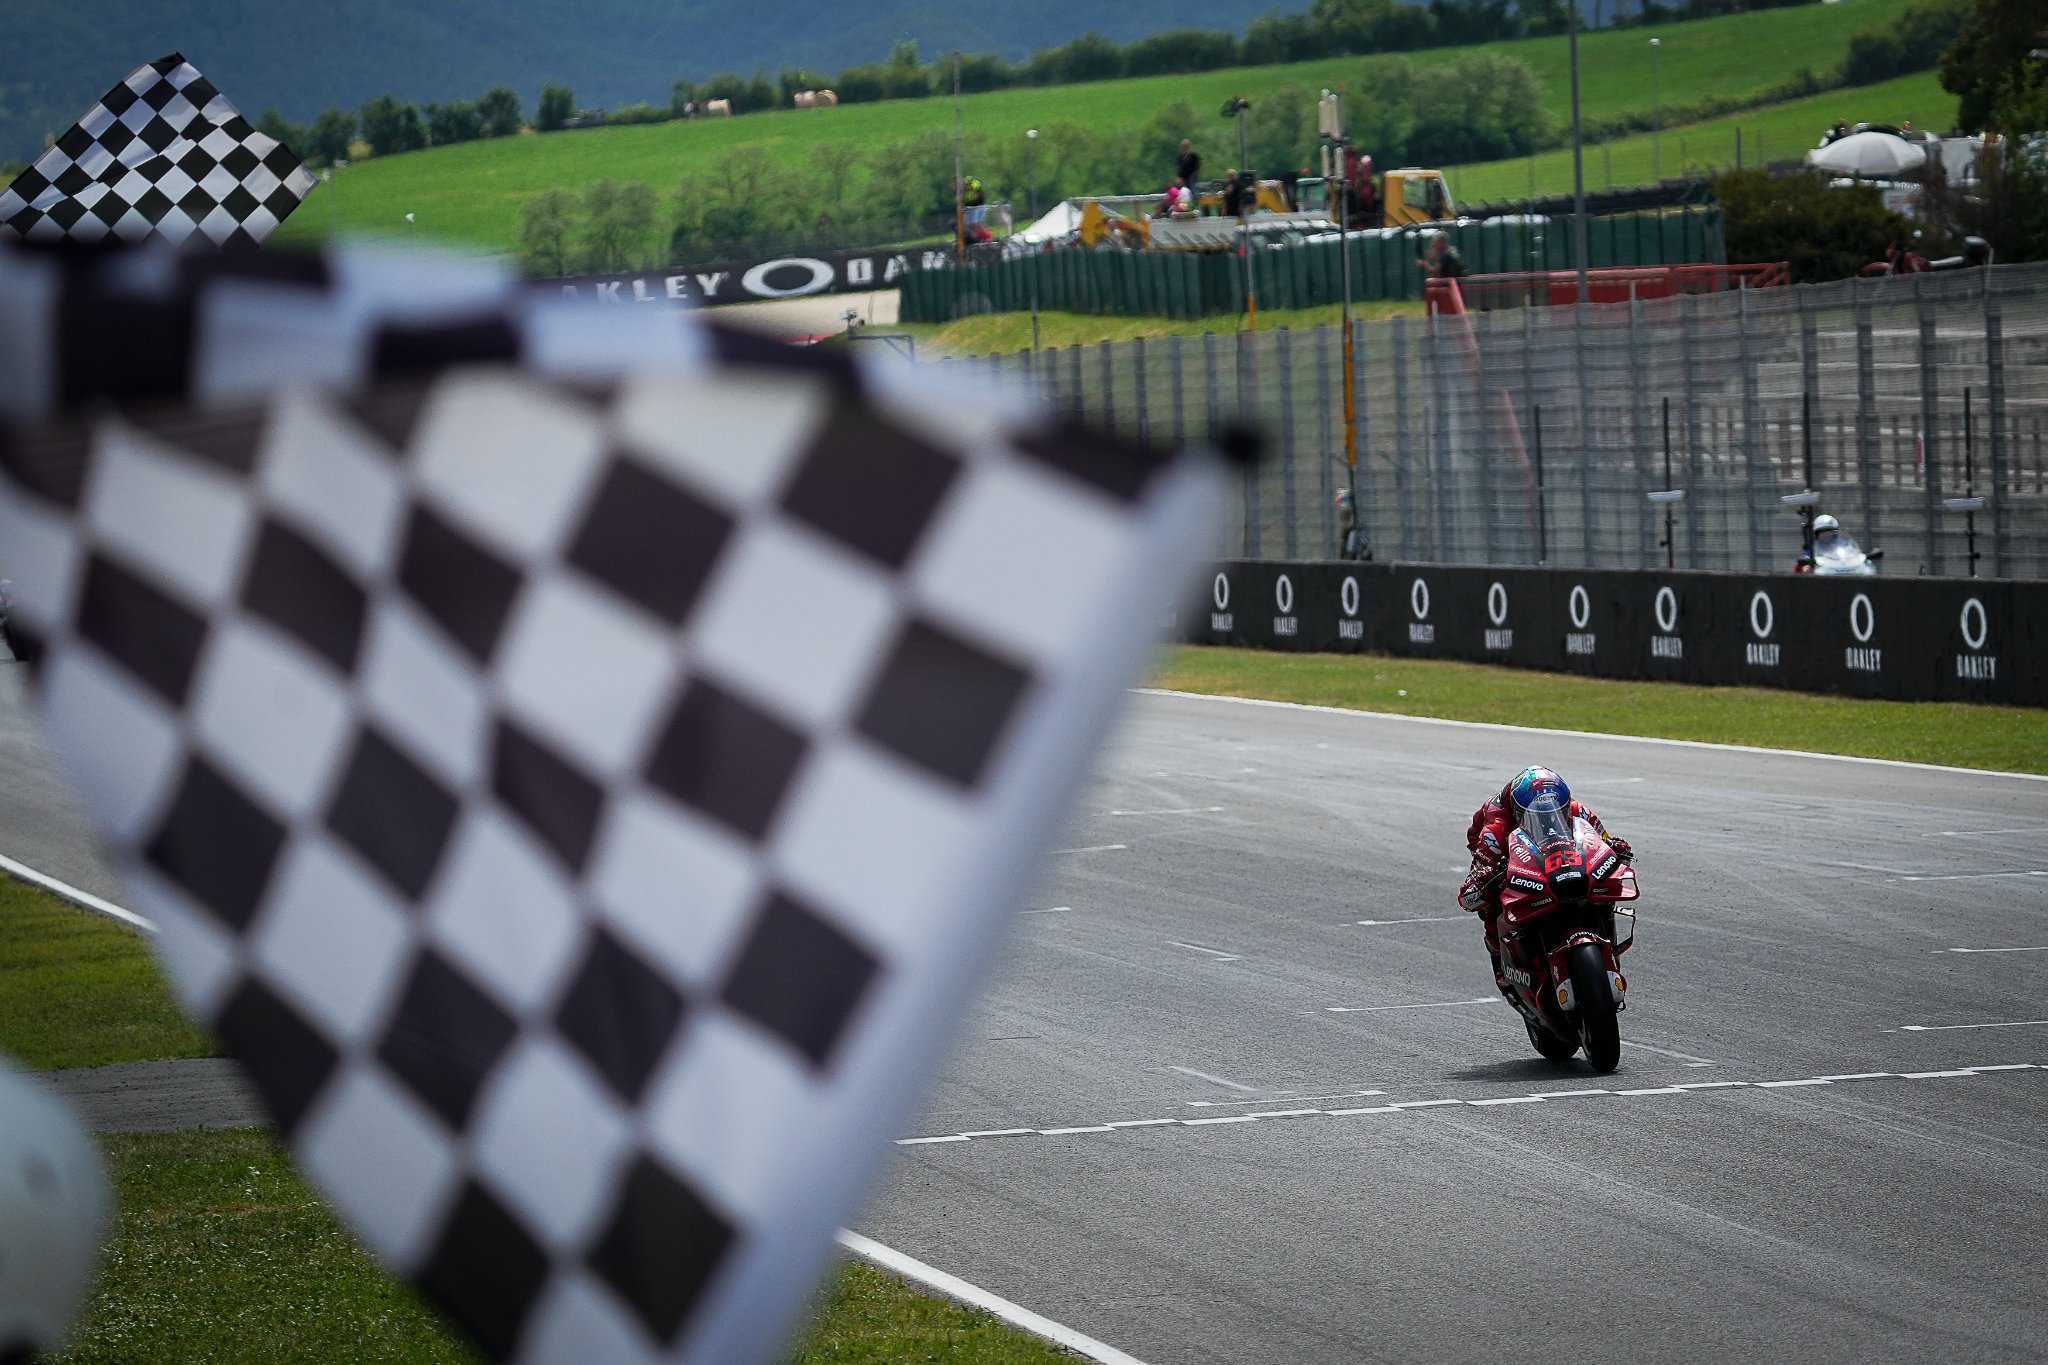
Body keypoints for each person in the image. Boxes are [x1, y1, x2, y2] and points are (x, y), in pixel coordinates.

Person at [1458, 767, 1632, 1002]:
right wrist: (1480, 879)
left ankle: (1605, 941)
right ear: (1519, 810)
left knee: (1598, 873)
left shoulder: (1576, 809)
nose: (1549, 816)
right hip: (1497, 845)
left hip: (1556, 847)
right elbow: (1478, 873)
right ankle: (1501, 964)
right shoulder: (1497, 825)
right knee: (1489, 899)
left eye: (1556, 811)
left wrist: (1615, 847)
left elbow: (1602, 841)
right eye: (1538, 813)